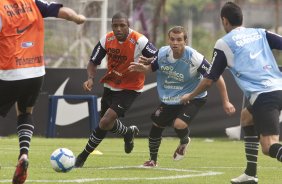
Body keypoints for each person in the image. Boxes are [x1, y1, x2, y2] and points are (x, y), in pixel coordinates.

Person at [180, 2, 282, 184]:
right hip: (277, 87)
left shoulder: (223, 43)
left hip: (266, 95)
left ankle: (252, 173)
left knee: (268, 147)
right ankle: (251, 174)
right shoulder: (260, 33)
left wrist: (190, 95)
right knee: (246, 118)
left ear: (224, 21)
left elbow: (209, 79)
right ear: (241, 18)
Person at [0, 0, 85, 183]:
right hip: (36, 72)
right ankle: (23, 154)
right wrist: (78, 18)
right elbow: (65, 13)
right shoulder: (33, 2)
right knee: (24, 112)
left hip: (9, 72)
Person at [128, 26, 236, 167]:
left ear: (185, 41)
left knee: (179, 125)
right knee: (156, 126)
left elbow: (217, 77)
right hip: (170, 98)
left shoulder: (194, 57)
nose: (175, 42)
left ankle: (184, 141)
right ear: (169, 40)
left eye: (179, 39)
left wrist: (226, 101)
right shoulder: (162, 53)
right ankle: (153, 161)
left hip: (194, 97)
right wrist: (144, 69)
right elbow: (151, 68)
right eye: (172, 39)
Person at [74, 12, 158, 168]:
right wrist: (90, 78)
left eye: (122, 25)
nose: (118, 29)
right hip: (111, 85)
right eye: (115, 26)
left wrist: (147, 64)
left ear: (128, 26)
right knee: (107, 124)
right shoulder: (107, 39)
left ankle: (82, 157)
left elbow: (158, 56)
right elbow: (93, 62)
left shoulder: (139, 40)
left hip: (131, 87)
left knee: (105, 121)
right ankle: (127, 133)